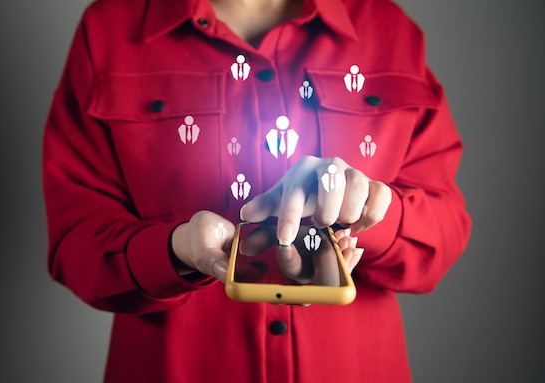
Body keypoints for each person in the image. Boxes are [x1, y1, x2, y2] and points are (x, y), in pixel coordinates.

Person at [42, 0, 472, 382]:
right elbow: (78, 242)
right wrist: (175, 251)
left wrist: (375, 211)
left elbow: (444, 225)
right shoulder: (108, 30)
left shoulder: (387, 29)